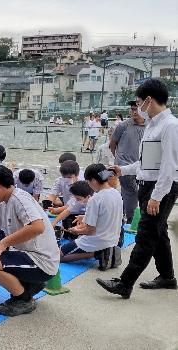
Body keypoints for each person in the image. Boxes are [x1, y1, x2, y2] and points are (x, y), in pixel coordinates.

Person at [98, 79, 178, 299]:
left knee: (145, 237)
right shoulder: (153, 125)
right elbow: (147, 164)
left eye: (139, 102)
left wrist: (157, 197)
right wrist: (122, 170)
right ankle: (167, 277)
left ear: (149, 101)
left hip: (160, 189)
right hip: (148, 186)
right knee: (158, 234)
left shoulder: (170, 126)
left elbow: (169, 167)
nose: (137, 107)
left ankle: (125, 283)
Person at [0, 165, 60, 317]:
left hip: (41, 260)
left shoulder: (19, 198)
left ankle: (23, 299)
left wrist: (3, 243)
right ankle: (30, 285)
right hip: (26, 254)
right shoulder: (3, 202)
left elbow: (37, 227)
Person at [60, 165, 123, 264]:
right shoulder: (116, 193)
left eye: (88, 182)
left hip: (97, 241)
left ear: (93, 180)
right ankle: (101, 252)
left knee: (57, 257)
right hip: (113, 239)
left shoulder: (95, 199)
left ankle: (98, 253)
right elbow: (106, 216)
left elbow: (90, 231)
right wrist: (85, 217)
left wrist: (75, 231)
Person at [109, 100, 145, 223]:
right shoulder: (123, 125)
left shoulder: (150, 126)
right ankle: (131, 220)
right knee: (132, 192)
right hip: (124, 166)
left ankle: (121, 216)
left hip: (141, 166)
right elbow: (112, 144)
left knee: (130, 193)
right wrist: (119, 159)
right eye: (133, 109)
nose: (134, 111)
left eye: (137, 109)